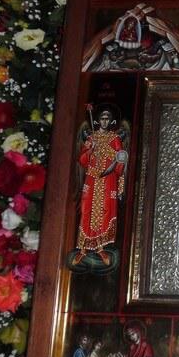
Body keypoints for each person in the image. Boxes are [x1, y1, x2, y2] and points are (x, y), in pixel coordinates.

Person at [74, 106, 128, 265]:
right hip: (92, 180)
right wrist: (90, 150)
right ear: (98, 120)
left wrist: (113, 156)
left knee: (105, 212)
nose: (104, 121)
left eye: (107, 119)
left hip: (107, 181)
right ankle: (83, 249)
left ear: (110, 121)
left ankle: (100, 248)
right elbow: (82, 160)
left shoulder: (114, 139)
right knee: (87, 212)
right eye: (102, 118)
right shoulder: (91, 138)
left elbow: (120, 160)